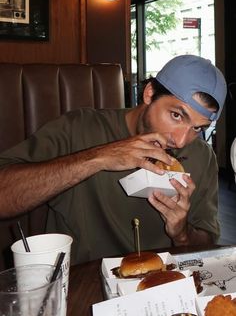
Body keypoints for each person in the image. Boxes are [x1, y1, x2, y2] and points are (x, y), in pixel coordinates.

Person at [0, 55, 227, 264]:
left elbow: (207, 246)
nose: (180, 141)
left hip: (160, 284)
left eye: (197, 128)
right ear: (149, 93)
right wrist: (100, 157)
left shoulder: (201, 156)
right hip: (83, 287)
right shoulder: (79, 129)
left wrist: (182, 233)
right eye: (176, 115)